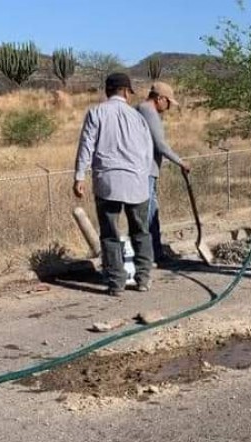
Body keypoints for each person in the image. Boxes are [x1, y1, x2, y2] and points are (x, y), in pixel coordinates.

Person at [73, 72, 154, 296]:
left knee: (110, 234)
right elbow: (147, 152)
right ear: (127, 92)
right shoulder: (138, 117)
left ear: (107, 91)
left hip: (107, 181)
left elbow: (86, 146)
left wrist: (80, 176)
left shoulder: (96, 112)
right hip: (137, 182)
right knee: (141, 231)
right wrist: (143, 176)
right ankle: (144, 278)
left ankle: (116, 282)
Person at [136, 81, 190, 265]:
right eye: (167, 102)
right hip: (146, 170)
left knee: (148, 213)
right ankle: (153, 255)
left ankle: (151, 254)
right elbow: (160, 144)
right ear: (159, 98)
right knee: (150, 214)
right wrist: (180, 161)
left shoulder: (142, 110)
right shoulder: (149, 112)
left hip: (145, 169)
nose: (168, 108)